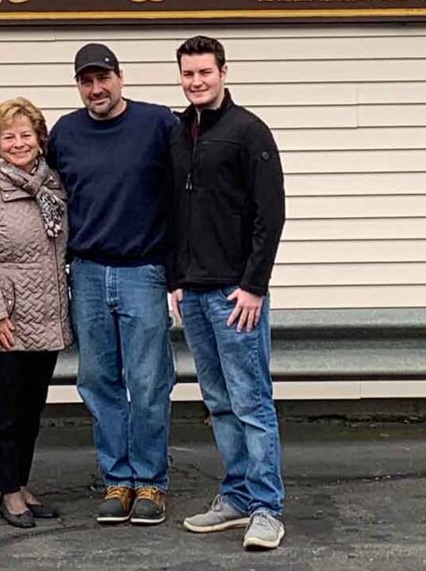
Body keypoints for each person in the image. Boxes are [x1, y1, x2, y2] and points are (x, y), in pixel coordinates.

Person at [47, 42, 177, 526]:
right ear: (79, 86)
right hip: (86, 271)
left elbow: (185, 186)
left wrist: (179, 270)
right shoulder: (65, 132)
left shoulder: (157, 124)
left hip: (143, 270)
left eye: (103, 78)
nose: (96, 89)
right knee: (98, 380)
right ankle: (116, 480)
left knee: (147, 381)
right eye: (86, 81)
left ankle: (150, 482)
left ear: (121, 78)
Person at [167, 35, 287, 551]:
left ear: (223, 72)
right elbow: (173, 211)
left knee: (251, 401)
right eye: (188, 74)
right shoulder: (180, 132)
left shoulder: (248, 132)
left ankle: (267, 508)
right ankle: (236, 496)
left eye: (205, 73)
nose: (197, 82)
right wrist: (176, 278)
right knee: (218, 402)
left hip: (235, 298)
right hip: (193, 294)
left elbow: (270, 214)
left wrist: (253, 286)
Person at [0, 97, 72, 529]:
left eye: (27, 134)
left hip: (46, 317)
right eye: (10, 136)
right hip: (4, 322)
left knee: (31, 409)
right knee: (5, 412)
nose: (19, 143)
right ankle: (7, 491)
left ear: (40, 139)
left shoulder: (53, 188)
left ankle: (21, 482)